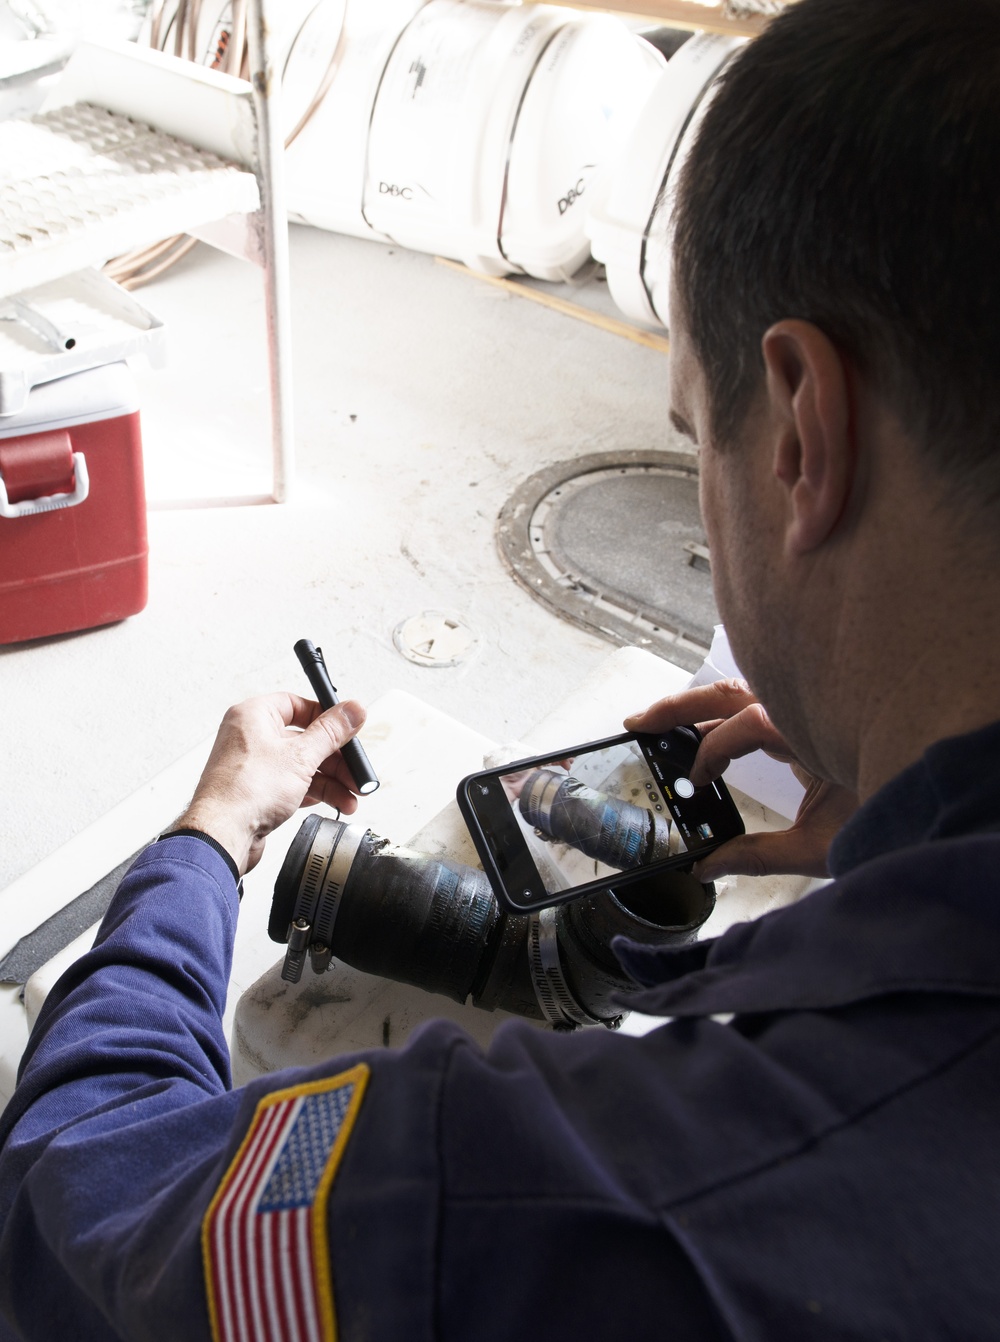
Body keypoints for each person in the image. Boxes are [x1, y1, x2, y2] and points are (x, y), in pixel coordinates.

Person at [2, 0, 1000, 1336]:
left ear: (803, 435)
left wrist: (208, 837)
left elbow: (77, 1211)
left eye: (699, 433)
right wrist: (894, 816)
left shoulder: (515, 1194)